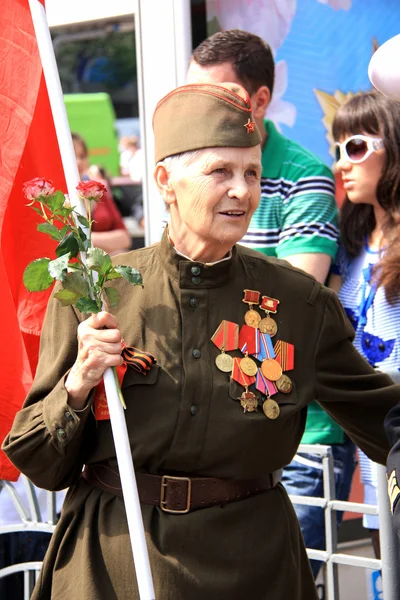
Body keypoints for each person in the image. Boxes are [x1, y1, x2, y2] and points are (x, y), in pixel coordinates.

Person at [2, 82, 399, 600]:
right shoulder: (97, 291)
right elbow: (37, 462)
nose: (242, 190)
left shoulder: (298, 303)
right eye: (221, 172)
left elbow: (383, 417)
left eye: (252, 173)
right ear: (165, 180)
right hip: (116, 566)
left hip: (255, 570)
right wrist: (77, 385)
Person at [187, 28, 352, 577]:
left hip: (294, 434)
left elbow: (290, 305)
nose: (200, 111)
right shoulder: (190, 170)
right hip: (219, 435)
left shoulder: (304, 174)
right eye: (193, 96)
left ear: (260, 101)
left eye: (218, 97)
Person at [329, 91, 400, 558]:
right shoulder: (348, 239)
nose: (341, 165)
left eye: (354, 147)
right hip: (373, 450)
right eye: (336, 151)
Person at [72, 133, 132, 255]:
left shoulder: (97, 191)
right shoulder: (54, 198)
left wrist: (87, 239)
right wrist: (108, 243)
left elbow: (125, 238)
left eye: (82, 156)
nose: (78, 161)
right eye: (72, 155)